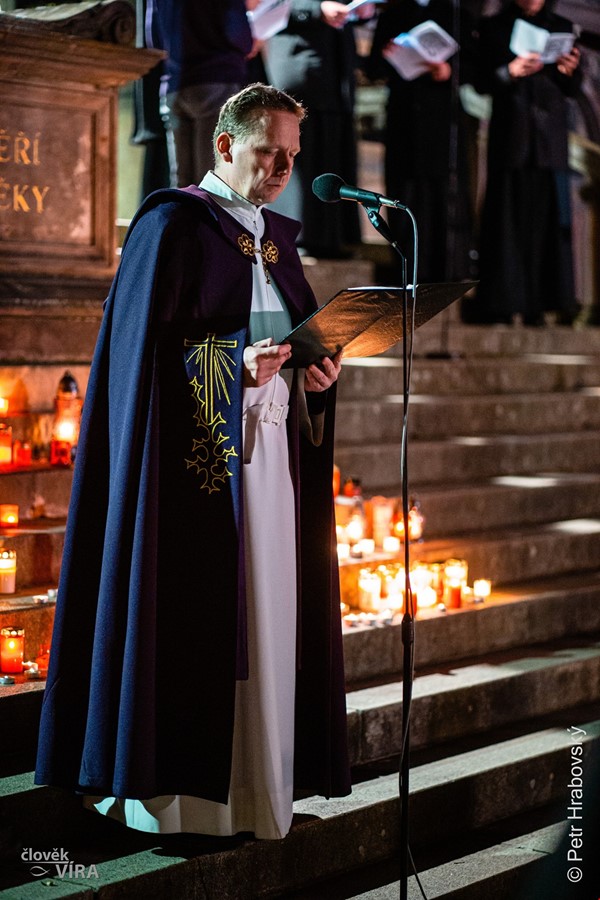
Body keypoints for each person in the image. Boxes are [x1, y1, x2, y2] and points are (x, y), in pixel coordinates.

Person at [34, 83, 351, 841]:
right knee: (195, 628)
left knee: (269, 622)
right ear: (225, 144)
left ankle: (257, 793)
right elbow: (141, 361)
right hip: (187, 482)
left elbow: (290, 341)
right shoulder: (173, 225)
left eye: (292, 155)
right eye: (268, 152)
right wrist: (235, 365)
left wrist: (315, 376)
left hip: (272, 467)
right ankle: (179, 802)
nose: (283, 169)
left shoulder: (275, 241)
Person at [465, 0, 582, 325]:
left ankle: (540, 305)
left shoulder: (560, 26)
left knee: (546, 224)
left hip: (548, 141)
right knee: (506, 223)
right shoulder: (494, 27)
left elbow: (571, 88)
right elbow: (479, 80)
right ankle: (502, 304)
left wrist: (569, 70)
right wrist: (509, 72)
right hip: (511, 136)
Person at [366, 0, 475, 284]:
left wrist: (448, 72)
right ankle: (407, 269)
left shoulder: (455, 13)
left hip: (443, 120)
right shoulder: (394, 14)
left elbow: (476, 68)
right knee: (404, 193)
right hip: (404, 117)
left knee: (443, 194)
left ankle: (446, 270)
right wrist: (388, 55)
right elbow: (373, 68)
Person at [264, 1, 374, 258]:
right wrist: (317, 10)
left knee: (333, 153)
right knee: (302, 154)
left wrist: (362, 12)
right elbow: (267, 8)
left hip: (336, 73)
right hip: (301, 64)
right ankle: (297, 236)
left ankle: (332, 238)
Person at [148, 0, 260, 187]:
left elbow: (153, 39)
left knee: (182, 185)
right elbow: (238, 34)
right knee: (212, 182)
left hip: (174, 87)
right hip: (217, 80)